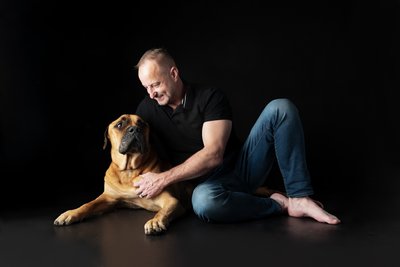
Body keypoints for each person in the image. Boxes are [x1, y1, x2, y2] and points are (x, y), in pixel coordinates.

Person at [133, 47, 340, 225]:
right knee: (204, 202)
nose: (151, 93)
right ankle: (279, 205)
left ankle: (300, 197)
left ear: (174, 73)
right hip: (204, 187)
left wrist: (163, 179)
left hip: (242, 170)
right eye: (146, 87)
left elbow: (214, 154)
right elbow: (137, 151)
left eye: (156, 84)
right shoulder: (147, 109)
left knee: (280, 108)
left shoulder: (209, 97)